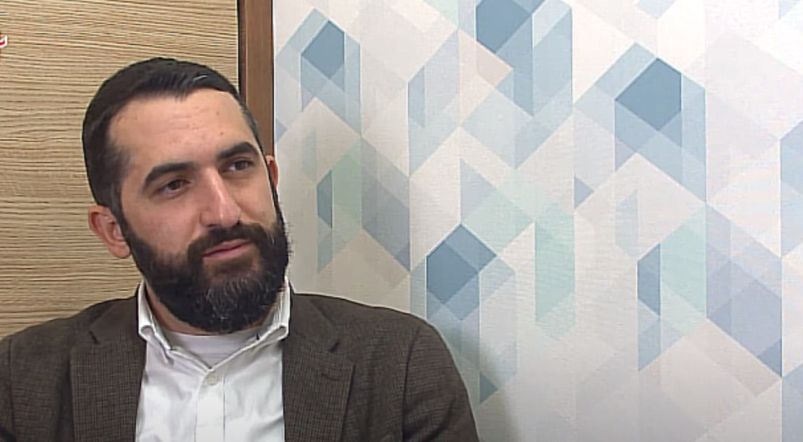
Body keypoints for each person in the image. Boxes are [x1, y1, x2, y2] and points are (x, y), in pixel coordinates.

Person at [0, 58, 478, 441]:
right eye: (173, 184)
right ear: (113, 231)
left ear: (271, 177)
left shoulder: (400, 363)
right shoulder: (21, 379)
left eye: (237, 167)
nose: (225, 212)